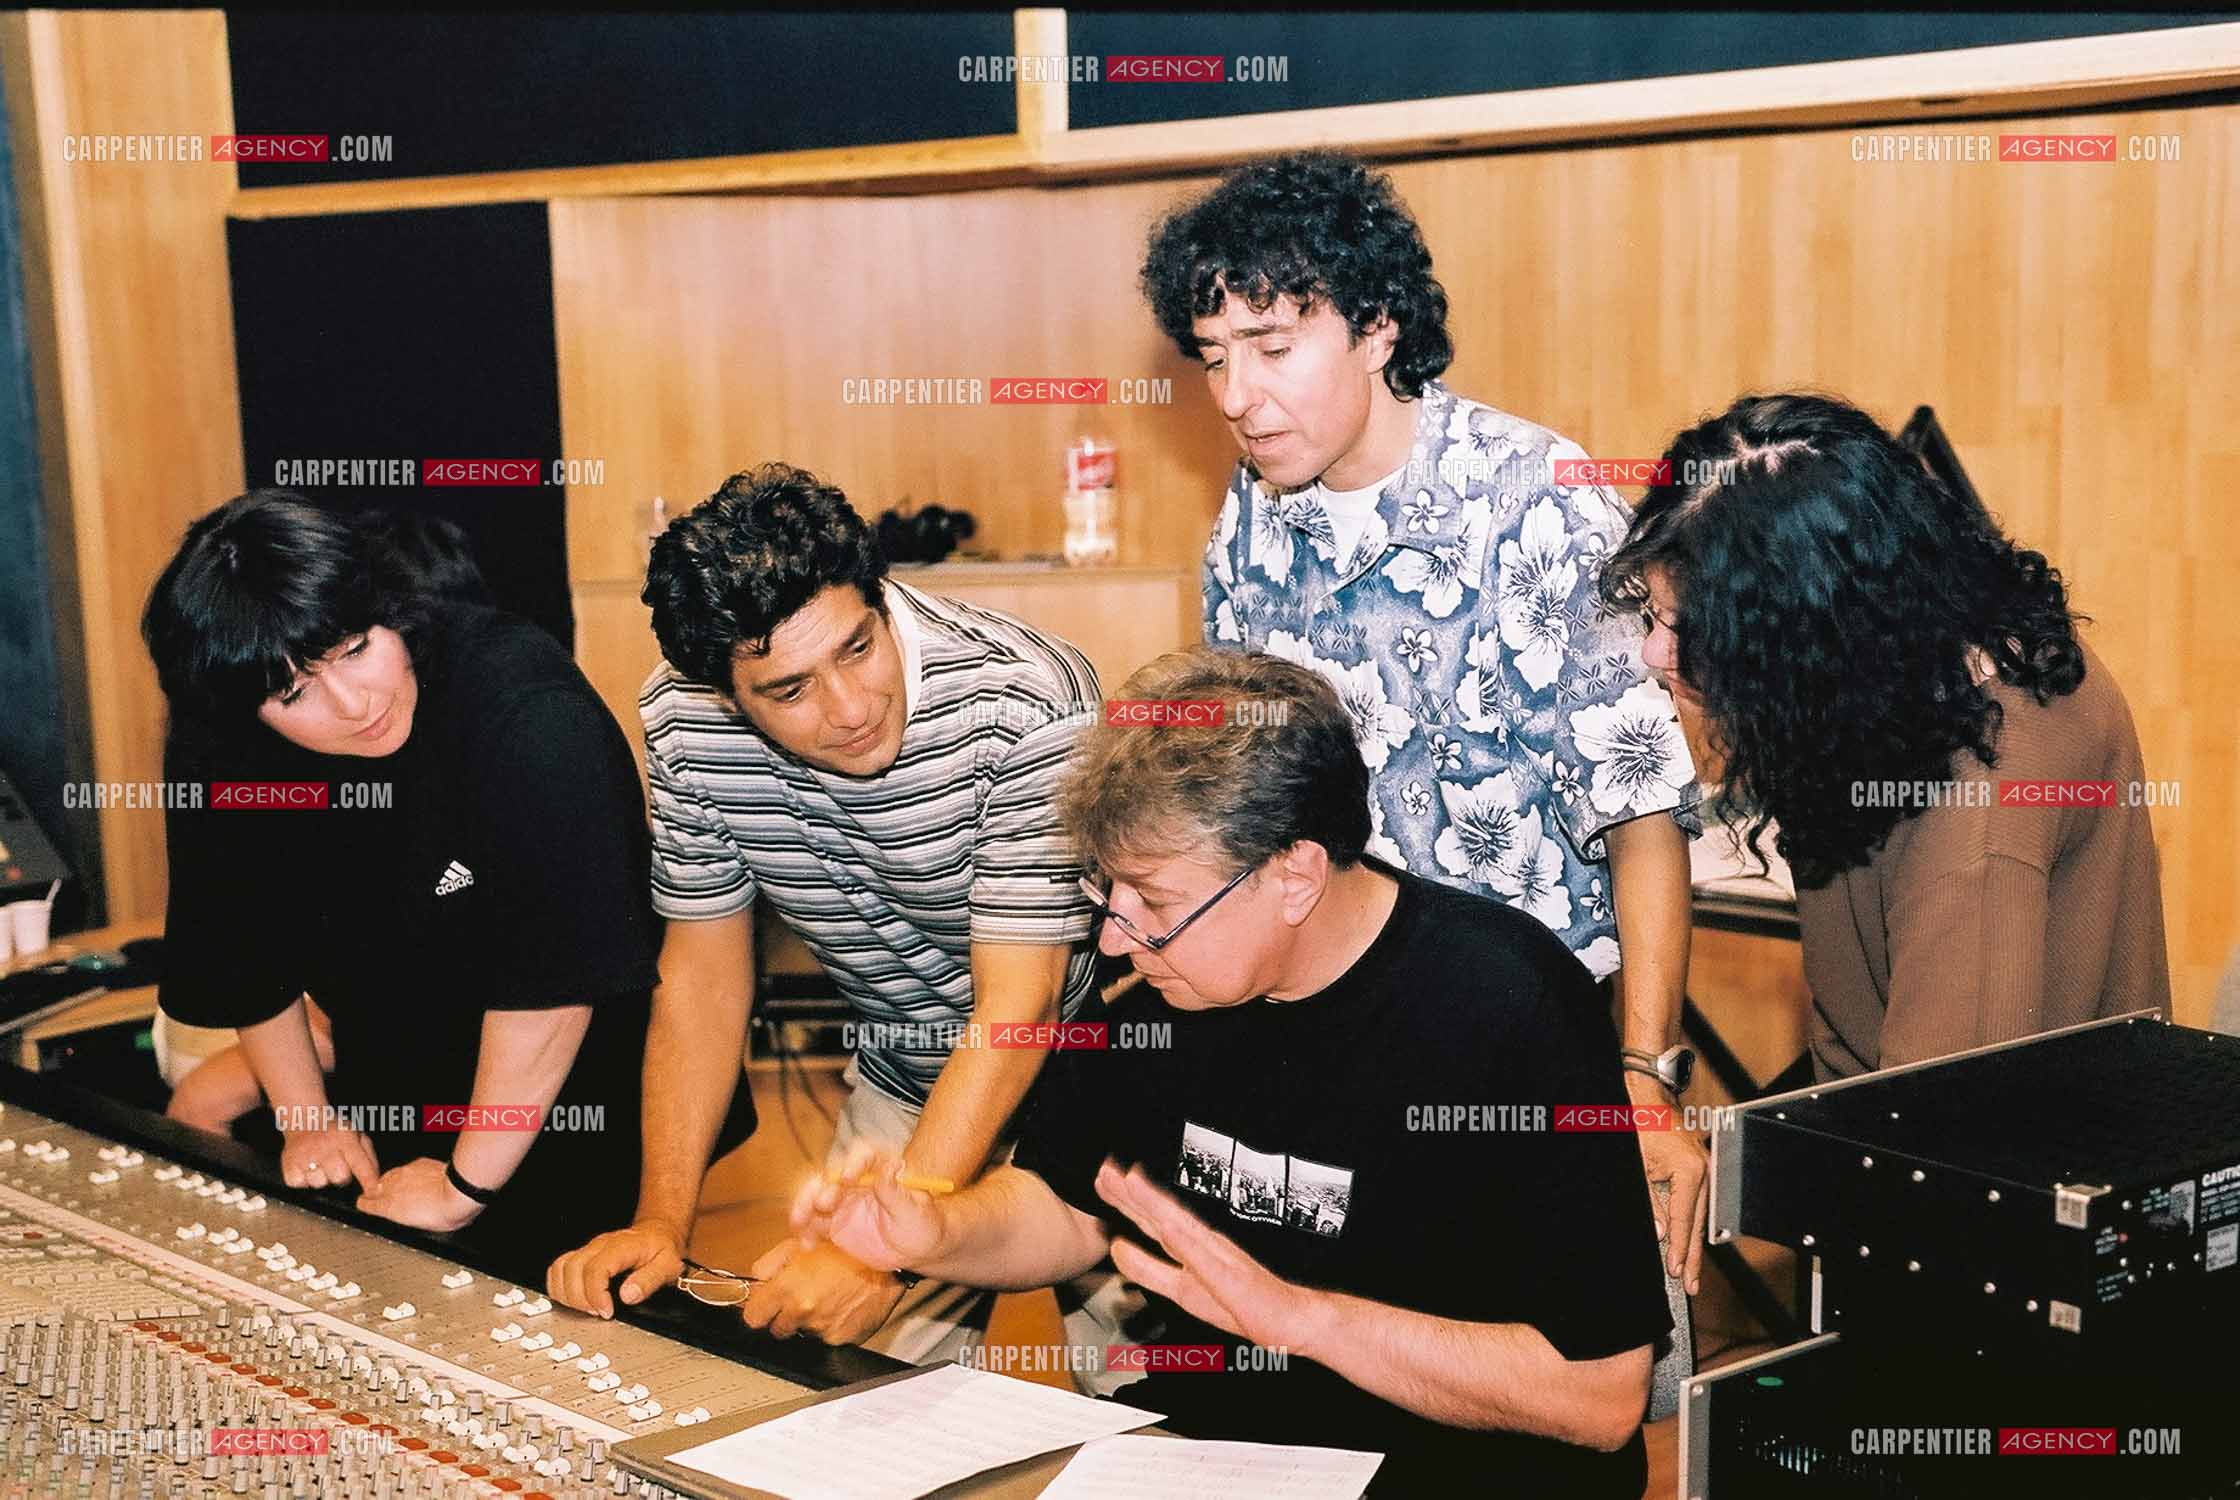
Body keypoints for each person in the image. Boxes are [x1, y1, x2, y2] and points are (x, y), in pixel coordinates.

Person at [794, 647, 1669, 1498]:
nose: (1113, 938)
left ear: (1295, 875)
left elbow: (1598, 1399)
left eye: (1156, 903)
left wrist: (1303, 1321)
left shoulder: (1505, 1002)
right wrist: (932, 1232)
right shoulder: (1155, 994)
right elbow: (1066, 1205)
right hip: (1206, 1454)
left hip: (1455, 1471)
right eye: (1107, 894)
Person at [1145, 149, 1707, 1292]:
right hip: (1328, 1046)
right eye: (1212, 359)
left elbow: (1641, 810)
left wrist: (1644, 1079)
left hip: (1523, 1050)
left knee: (1561, 1400)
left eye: (1270, 347)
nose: (1236, 397)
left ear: (1376, 328)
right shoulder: (1247, 522)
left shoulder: (1534, 501)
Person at [545, 464, 1130, 1375]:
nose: (851, 710)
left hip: (1096, 1090)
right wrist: (663, 1220)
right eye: (788, 691)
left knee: (1155, 1424)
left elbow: (1021, 1007)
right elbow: (701, 976)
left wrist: (880, 1248)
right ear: (721, 690)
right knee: (854, 1406)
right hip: (908, 1083)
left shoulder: (1023, 697)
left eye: (858, 648)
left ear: (879, 595)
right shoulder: (684, 721)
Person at [145, 491, 662, 1266]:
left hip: (574, 1083)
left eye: (356, 648)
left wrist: (466, 1186)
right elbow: (244, 952)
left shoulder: (526, 709)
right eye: (294, 693)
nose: (355, 703)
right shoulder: (217, 746)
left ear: (389, 610)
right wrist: (307, 1119)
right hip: (391, 1050)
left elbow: (556, 987)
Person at [1600, 392, 2171, 1076]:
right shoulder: (1895, 662)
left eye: (1687, 631)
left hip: (1964, 1142)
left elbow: (1941, 1134)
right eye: (1653, 618)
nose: (1653, 655)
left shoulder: (1980, 815)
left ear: (1803, 633)